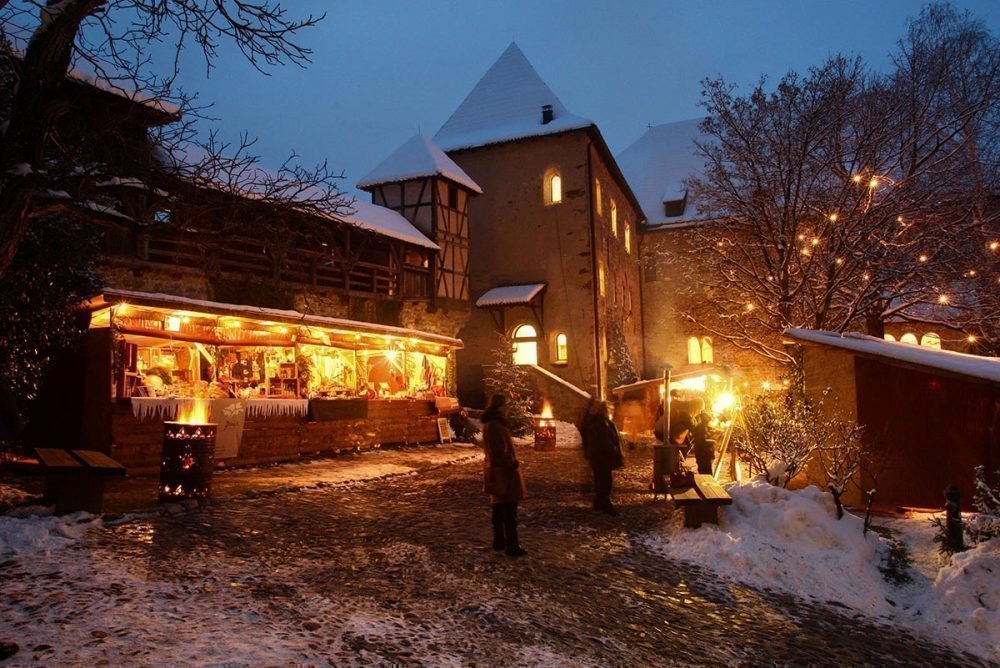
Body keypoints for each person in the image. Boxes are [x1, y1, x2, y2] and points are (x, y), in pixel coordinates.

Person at [481, 394, 527, 557]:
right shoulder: (496, 426)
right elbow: (500, 450)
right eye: (505, 406)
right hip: (504, 472)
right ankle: (511, 545)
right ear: (500, 407)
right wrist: (512, 463)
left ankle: (499, 540)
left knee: (499, 508)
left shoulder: (491, 424)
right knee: (509, 510)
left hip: (496, 470)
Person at [583, 401, 625, 514]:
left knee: (600, 480)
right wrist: (613, 448)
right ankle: (605, 505)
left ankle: (599, 503)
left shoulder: (598, 421)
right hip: (602, 457)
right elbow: (603, 440)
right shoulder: (600, 423)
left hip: (598, 457)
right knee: (605, 481)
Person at [690, 399, 716, 475]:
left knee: (704, 469)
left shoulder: (701, 427)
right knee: (706, 470)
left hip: (702, 453)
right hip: (704, 453)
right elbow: (703, 440)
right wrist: (712, 440)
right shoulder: (702, 428)